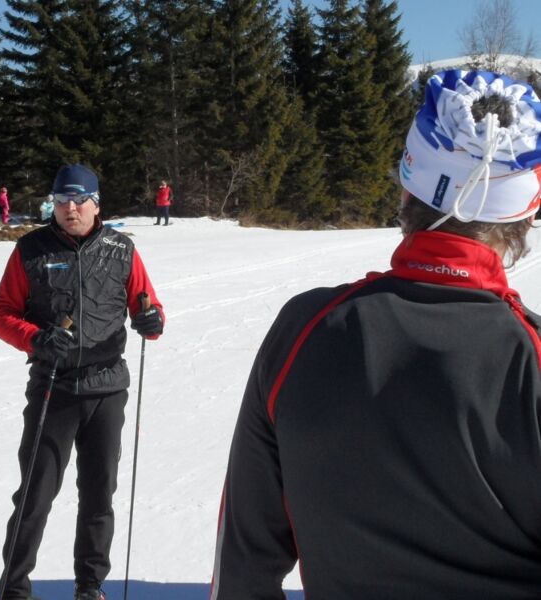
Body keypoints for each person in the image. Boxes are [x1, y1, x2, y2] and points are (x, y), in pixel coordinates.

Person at [210, 70, 541, 599]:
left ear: (408, 186)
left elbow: (242, 565)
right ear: (525, 214)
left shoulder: (304, 329)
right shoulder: (532, 356)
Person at [0, 164, 166, 600]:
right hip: (55, 386)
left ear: (95, 204)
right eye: (61, 201)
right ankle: (14, 587)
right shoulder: (31, 249)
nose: (70, 209)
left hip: (107, 388)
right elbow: (1, 315)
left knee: (98, 495)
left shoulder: (122, 249)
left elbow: (151, 311)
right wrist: (36, 337)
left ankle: (90, 587)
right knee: (35, 493)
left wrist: (151, 319)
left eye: (78, 200)